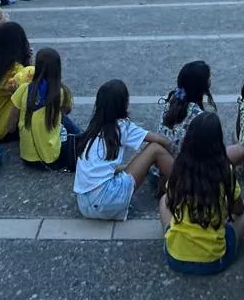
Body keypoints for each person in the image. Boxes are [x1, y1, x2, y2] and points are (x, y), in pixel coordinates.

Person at [160, 111, 244, 274]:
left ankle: (173, 236)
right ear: (219, 143)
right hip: (214, 260)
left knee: (164, 200)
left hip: (175, 258)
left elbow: (171, 199)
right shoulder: (225, 172)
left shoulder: (179, 169)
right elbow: (239, 210)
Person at [74, 79, 173, 220]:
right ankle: (183, 186)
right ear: (123, 104)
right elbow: (159, 140)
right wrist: (174, 148)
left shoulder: (94, 127)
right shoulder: (122, 126)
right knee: (155, 149)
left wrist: (130, 167)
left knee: (133, 162)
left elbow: (101, 168)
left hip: (84, 204)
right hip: (106, 203)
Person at [159, 60, 244, 164]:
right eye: (209, 78)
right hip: (187, 169)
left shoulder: (171, 102)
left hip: (166, 162)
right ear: (203, 85)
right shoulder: (200, 118)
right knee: (239, 150)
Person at [10, 46, 77, 170]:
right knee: (73, 133)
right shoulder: (60, 92)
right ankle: (86, 137)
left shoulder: (23, 89)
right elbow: (67, 111)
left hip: (27, 157)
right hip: (52, 158)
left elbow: (11, 124)